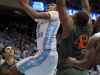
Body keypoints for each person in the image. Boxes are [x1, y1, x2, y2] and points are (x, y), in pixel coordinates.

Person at [10, 0, 60, 75]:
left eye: (52, 5)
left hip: (46, 53)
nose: (49, 5)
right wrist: (22, 3)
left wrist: (22, 4)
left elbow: (35, 14)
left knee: (13, 70)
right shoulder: (43, 19)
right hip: (50, 56)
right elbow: (30, 11)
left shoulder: (55, 14)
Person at [56, 0, 93, 75]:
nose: (72, 14)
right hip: (82, 71)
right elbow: (86, 8)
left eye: (74, 14)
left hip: (67, 69)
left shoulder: (69, 27)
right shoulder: (89, 28)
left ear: (75, 20)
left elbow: (61, 4)